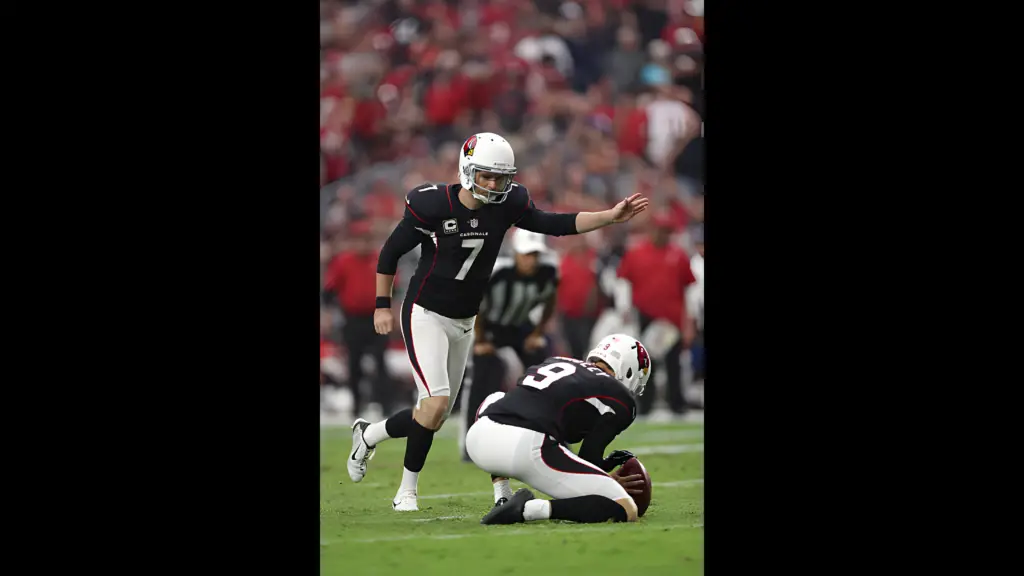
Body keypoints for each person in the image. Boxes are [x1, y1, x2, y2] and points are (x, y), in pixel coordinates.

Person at [347, 132, 650, 511]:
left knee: (434, 414)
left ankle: (369, 434)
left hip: (464, 319)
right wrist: (381, 305)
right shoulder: (432, 204)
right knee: (436, 404)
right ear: (467, 169)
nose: (493, 184)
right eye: (486, 176)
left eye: (500, 177)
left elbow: (554, 223)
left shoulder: (509, 204)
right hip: (425, 312)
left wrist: (609, 216)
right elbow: (390, 252)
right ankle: (406, 492)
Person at [466, 334, 652, 524]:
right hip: (526, 447)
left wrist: (604, 468)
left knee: (497, 398)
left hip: (478, 439)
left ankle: (502, 496)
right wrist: (608, 478)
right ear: (629, 372)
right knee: (626, 508)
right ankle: (528, 510)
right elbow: (588, 457)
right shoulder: (620, 397)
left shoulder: (557, 361)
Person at [461, 229, 560, 462]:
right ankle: (471, 441)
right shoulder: (498, 274)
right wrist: (482, 341)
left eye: (534, 254)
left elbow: (550, 301)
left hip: (520, 327)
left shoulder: (546, 274)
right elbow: (476, 306)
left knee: (547, 373)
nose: (530, 260)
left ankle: (553, 435)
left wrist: (537, 333)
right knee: (484, 380)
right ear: (515, 253)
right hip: (489, 328)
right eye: (526, 254)